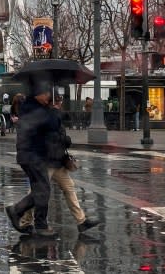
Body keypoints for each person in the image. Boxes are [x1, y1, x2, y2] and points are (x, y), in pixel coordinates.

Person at [20, 89, 100, 234]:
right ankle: (25, 221)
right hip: (48, 160)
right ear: (55, 101)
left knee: (69, 188)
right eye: (60, 101)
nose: (61, 104)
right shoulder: (48, 115)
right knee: (36, 192)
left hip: (58, 161)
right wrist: (66, 140)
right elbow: (52, 137)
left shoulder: (52, 114)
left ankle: (81, 221)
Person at [6, 81, 61, 238]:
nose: (49, 97)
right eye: (47, 94)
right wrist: (54, 112)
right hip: (32, 155)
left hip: (31, 154)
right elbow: (52, 126)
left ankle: (18, 212)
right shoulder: (35, 109)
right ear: (39, 94)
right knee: (43, 190)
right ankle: (38, 223)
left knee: (40, 190)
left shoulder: (32, 107)